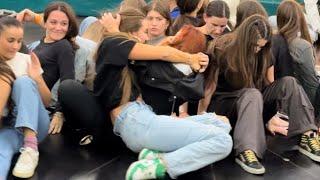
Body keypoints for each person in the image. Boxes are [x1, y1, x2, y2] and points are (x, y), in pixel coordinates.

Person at [92, 9, 233, 180]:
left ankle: (153, 154)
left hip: (141, 119)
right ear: (131, 32)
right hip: (137, 122)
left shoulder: (122, 54)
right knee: (223, 141)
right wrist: (191, 58)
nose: (147, 37)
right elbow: (163, 53)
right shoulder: (113, 44)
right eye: (144, 31)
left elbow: (157, 54)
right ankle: (161, 164)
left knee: (221, 123)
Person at [203, 14, 320, 175]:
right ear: (245, 38)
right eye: (254, 46)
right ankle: (246, 150)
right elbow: (209, 87)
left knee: (289, 83)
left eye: (261, 46)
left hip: (253, 101)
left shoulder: (263, 52)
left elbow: (267, 83)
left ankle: (307, 135)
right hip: (225, 105)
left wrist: (269, 118)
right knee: (252, 94)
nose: (256, 49)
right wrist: (200, 118)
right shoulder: (222, 48)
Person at [17, 1, 79, 134]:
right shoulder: (41, 43)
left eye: (64, 24)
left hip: (33, 98)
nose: (58, 27)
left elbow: (68, 83)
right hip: (19, 93)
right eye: (53, 22)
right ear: (44, 23)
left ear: (69, 27)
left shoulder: (63, 46)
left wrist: (59, 113)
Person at [0, 16, 51, 179]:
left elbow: (46, 102)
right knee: (2, 151)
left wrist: (37, 79)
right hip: (9, 128)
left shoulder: (26, 60)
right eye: (10, 40)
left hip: (36, 125)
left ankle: (30, 147)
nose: (16, 46)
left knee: (23, 82)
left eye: (19, 41)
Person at [273, 0, 320, 126]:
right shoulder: (302, 45)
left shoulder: (274, 40)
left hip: (281, 101)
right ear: (299, 18)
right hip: (302, 105)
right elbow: (312, 85)